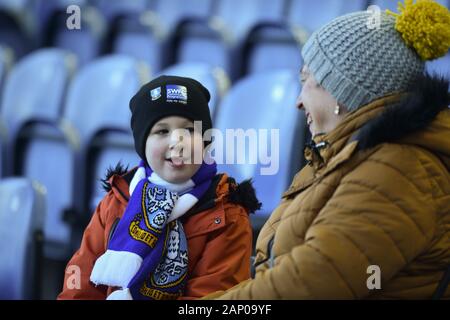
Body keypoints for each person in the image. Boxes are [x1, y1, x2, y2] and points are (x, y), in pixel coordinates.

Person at [204, 0, 450, 299]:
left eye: (307, 81)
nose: (297, 101)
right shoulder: (343, 156)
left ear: (340, 92)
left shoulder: (398, 171)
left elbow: (303, 286)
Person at [58, 75, 260, 300]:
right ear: (143, 145)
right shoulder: (117, 200)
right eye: (162, 131)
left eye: (190, 130)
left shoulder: (228, 213)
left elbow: (213, 297)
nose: (177, 142)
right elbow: (80, 281)